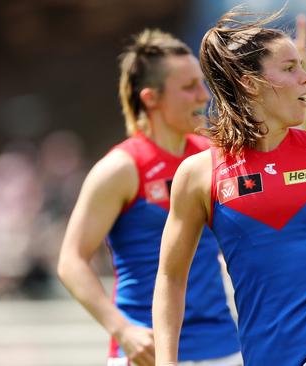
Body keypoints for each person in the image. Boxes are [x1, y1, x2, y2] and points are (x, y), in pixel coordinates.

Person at [153, 8, 306, 366]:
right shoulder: (198, 174)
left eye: (301, 66)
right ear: (250, 83)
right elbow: (170, 276)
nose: (305, 78)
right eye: (290, 68)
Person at [56, 30, 242, 366]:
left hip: (222, 346)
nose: (203, 96)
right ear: (151, 98)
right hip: (148, 350)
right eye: (188, 87)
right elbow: (71, 261)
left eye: (201, 84)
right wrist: (123, 331)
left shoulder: (209, 157)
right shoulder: (121, 168)